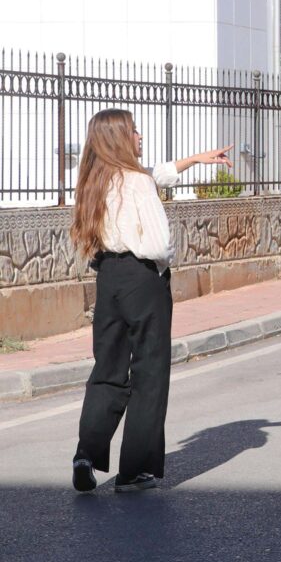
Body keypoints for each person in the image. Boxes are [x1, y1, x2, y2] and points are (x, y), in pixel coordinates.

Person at [69, 109, 232, 493]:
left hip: (108, 278)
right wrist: (164, 264)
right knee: (149, 372)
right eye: (134, 131)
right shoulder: (137, 182)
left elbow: (156, 173)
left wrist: (194, 160)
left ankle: (86, 454)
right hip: (142, 278)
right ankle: (134, 470)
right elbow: (158, 244)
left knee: (108, 369)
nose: (140, 136)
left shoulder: (95, 179)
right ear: (119, 138)